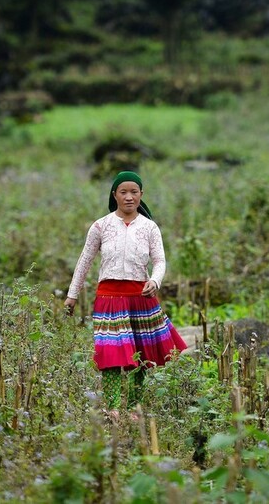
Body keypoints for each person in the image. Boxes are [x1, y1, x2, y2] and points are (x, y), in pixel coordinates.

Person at [64, 171, 187, 420]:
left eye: (134, 192)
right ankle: (112, 407)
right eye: (123, 192)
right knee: (110, 353)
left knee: (140, 354)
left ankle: (133, 408)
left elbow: (160, 261)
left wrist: (155, 280)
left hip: (140, 297)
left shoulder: (150, 227)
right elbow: (84, 261)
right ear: (114, 195)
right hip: (108, 297)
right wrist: (72, 295)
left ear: (141, 195)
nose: (129, 197)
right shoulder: (101, 226)